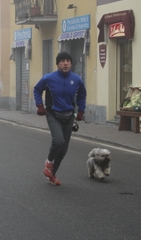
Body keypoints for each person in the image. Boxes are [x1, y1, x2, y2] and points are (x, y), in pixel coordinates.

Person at [33, 51, 86, 186]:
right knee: (58, 141)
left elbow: (82, 95)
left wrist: (81, 110)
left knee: (63, 150)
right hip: (53, 114)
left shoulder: (77, 79)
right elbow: (37, 89)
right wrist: (40, 105)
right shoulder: (49, 78)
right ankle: (49, 162)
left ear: (71, 63)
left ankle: (52, 174)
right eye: (62, 61)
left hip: (68, 116)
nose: (65, 63)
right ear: (57, 64)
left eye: (68, 61)